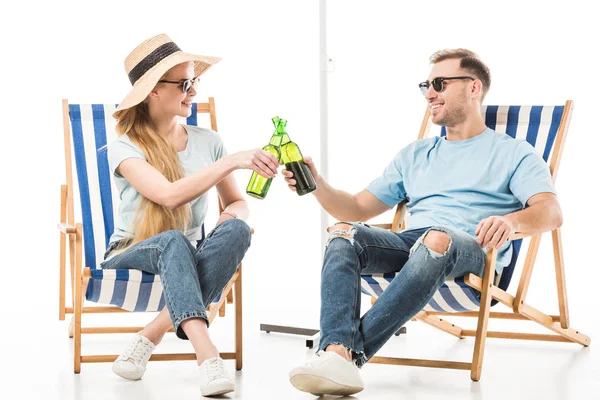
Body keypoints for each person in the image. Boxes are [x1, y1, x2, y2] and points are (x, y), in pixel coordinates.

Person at [285, 48, 563, 396]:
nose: (430, 93)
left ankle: (344, 356)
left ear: (473, 88)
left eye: (440, 83)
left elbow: (551, 212)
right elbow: (355, 208)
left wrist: (510, 221)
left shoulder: (514, 152)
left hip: (471, 247)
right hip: (413, 243)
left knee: (437, 238)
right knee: (341, 233)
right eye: (426, 85)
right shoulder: (415, 154)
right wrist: (317, 184)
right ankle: (338, 353)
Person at [101, 33, 279, 397]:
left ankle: (149, 335)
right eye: (184, 84)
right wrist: (233, 160)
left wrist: (232, 217)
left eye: (194, 82)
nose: (193, 91)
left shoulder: (207, 140)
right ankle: (208, 357)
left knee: (239, 231)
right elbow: (167, 196)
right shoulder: (124, 148)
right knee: (172, 240)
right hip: (132, 251)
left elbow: (236, 202)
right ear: (153, 90)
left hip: (187, 254)